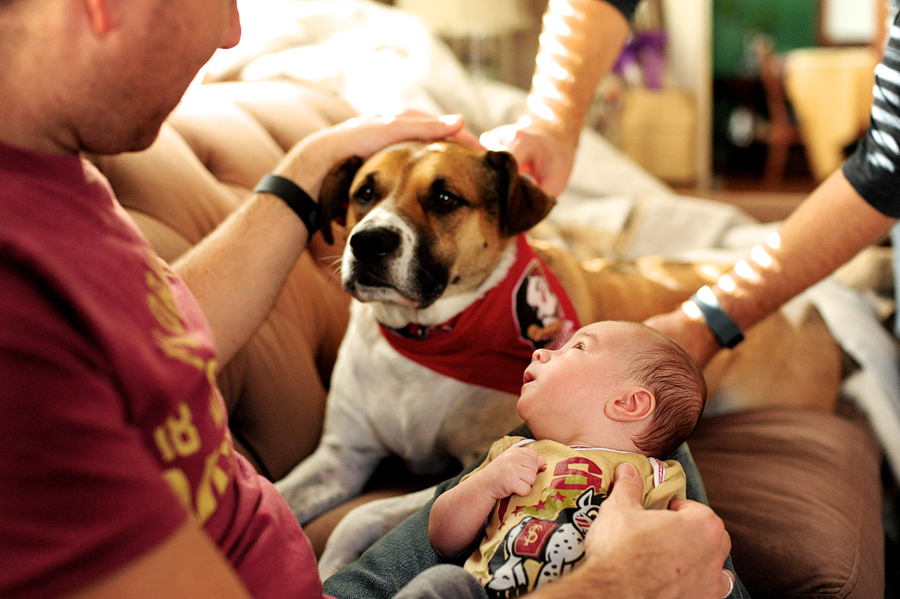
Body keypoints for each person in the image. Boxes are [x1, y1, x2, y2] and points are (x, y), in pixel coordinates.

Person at [0, 1, 735, 599]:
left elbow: (158, 327)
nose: (233, 30)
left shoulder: (63, 188)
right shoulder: (21, 305)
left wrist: (310, 163)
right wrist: (617, 585)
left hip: (329, 555)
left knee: (634, 382)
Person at [428, 321, 706, 597]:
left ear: (627, 404)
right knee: (443, 581)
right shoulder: (514, 452)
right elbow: (443, 540)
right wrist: (486, 484)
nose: (541, 352)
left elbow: (682, 560)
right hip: (484, 590)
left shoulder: (658, 476)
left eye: (578, 346)